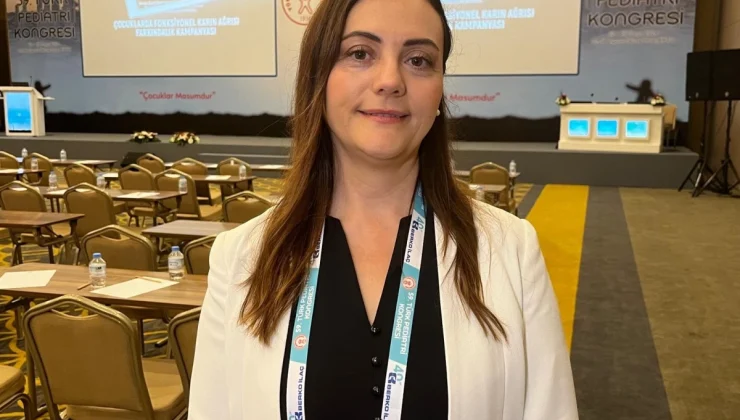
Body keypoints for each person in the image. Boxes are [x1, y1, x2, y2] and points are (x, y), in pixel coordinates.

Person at [189, 0, 578, 419]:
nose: (390, 80)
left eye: (418, 60)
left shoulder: (511, 250)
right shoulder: (240, 258)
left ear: (439, 91)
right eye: (360, 53)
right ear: (318, 76)